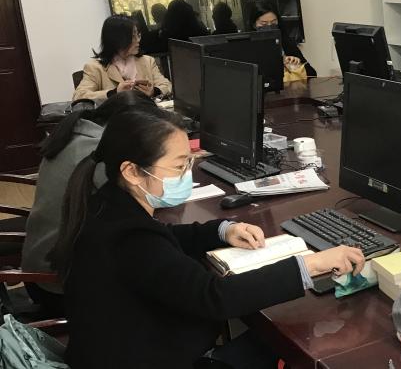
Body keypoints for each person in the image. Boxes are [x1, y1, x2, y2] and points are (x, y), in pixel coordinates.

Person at [51, 109, 366, 369]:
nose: (187, 173)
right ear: (132, 171)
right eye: (179, 165)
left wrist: (221, 230)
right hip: (146, 356)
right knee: (301, 337)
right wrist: (311, 265)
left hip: (129, 349)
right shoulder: (129, 237)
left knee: (274, 340)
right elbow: (214, 297)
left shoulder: (108, 204)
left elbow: (164, 238)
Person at [21, 91, 155, 314]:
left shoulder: (76, 134)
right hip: (59, 286)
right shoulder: (95, 151)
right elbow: (136, 201)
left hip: (40, 268)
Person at [73, 14, 172, 102]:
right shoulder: (95, 67)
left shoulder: (147, 61)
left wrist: (154, 91)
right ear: (117, 39)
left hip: (147, 114)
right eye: (133, 36)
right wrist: (114, 93)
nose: (138, 40)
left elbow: (167, 85)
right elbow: (79, 96)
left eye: (138, 35)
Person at [250, 1, 318, 77]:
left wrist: (296, 64)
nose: (269, 27)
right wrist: (280, 62)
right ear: (254, 25)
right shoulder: (248, 46)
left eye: (273, 23)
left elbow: (312, 73)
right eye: (264, 24)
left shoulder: (286, 41)